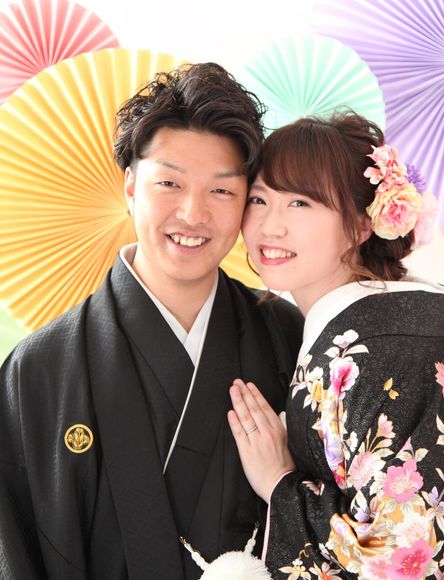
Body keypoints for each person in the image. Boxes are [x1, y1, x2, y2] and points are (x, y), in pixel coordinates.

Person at [228, 112, 444, 579]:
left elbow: (397, 561)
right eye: (259, 199)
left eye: (300, 203)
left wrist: (280, 483)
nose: (270, 226)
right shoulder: (380, 342)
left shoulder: (390, 358)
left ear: (361, 225)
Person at [0, 63, 303, 580]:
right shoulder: (40, 370)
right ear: (129, 187)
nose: (193, 214)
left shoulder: (288, 335)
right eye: (169, 182)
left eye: (222, 191)